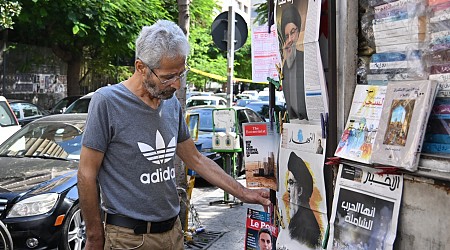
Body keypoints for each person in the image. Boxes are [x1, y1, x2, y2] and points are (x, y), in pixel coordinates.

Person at [78, 20, 271, 250]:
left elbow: (197, 160)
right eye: (168, 77)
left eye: (181, 73)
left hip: (173, 233)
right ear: (141, 67)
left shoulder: (170, 105)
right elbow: (86, 173)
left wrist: (244, 193)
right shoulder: (107, 102)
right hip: (128, 239)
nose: (177, 84)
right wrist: (94, 236)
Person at [286, 152, 321, 248]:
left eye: (291, 183)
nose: (288, 188)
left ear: (300, 190)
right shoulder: (296, 220)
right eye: (287, 183)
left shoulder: (305, 226)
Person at [280, 5, 308, 120]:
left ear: (299, 30)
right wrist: (285, 60)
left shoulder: (305, 58)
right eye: (287, 36)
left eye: (293, 32)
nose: (290, 39)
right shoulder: (285, 64)